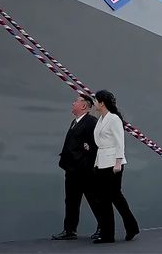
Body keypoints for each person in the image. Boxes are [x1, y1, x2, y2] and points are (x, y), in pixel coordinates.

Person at [92, 90, 140, 244]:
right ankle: (109, 234)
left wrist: (118, 162)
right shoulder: (101, 119)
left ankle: (130, 227)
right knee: (104, 199)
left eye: (95, 101)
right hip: (101, 162)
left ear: (102, 103)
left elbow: (120, 142)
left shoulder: (113, 119)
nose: (94, 103)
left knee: (115, 196)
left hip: (113, 163)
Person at [52, 94, 102, 240]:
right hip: (71, 169)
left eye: (76, 101)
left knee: (94, 199)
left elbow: (95, 146)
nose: (73, 103)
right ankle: (70, 230)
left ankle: (103, 227)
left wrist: (85, 162)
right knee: (71, 200)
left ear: (84, 105)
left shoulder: (91, 122)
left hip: (84, 170)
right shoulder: (75, 122)